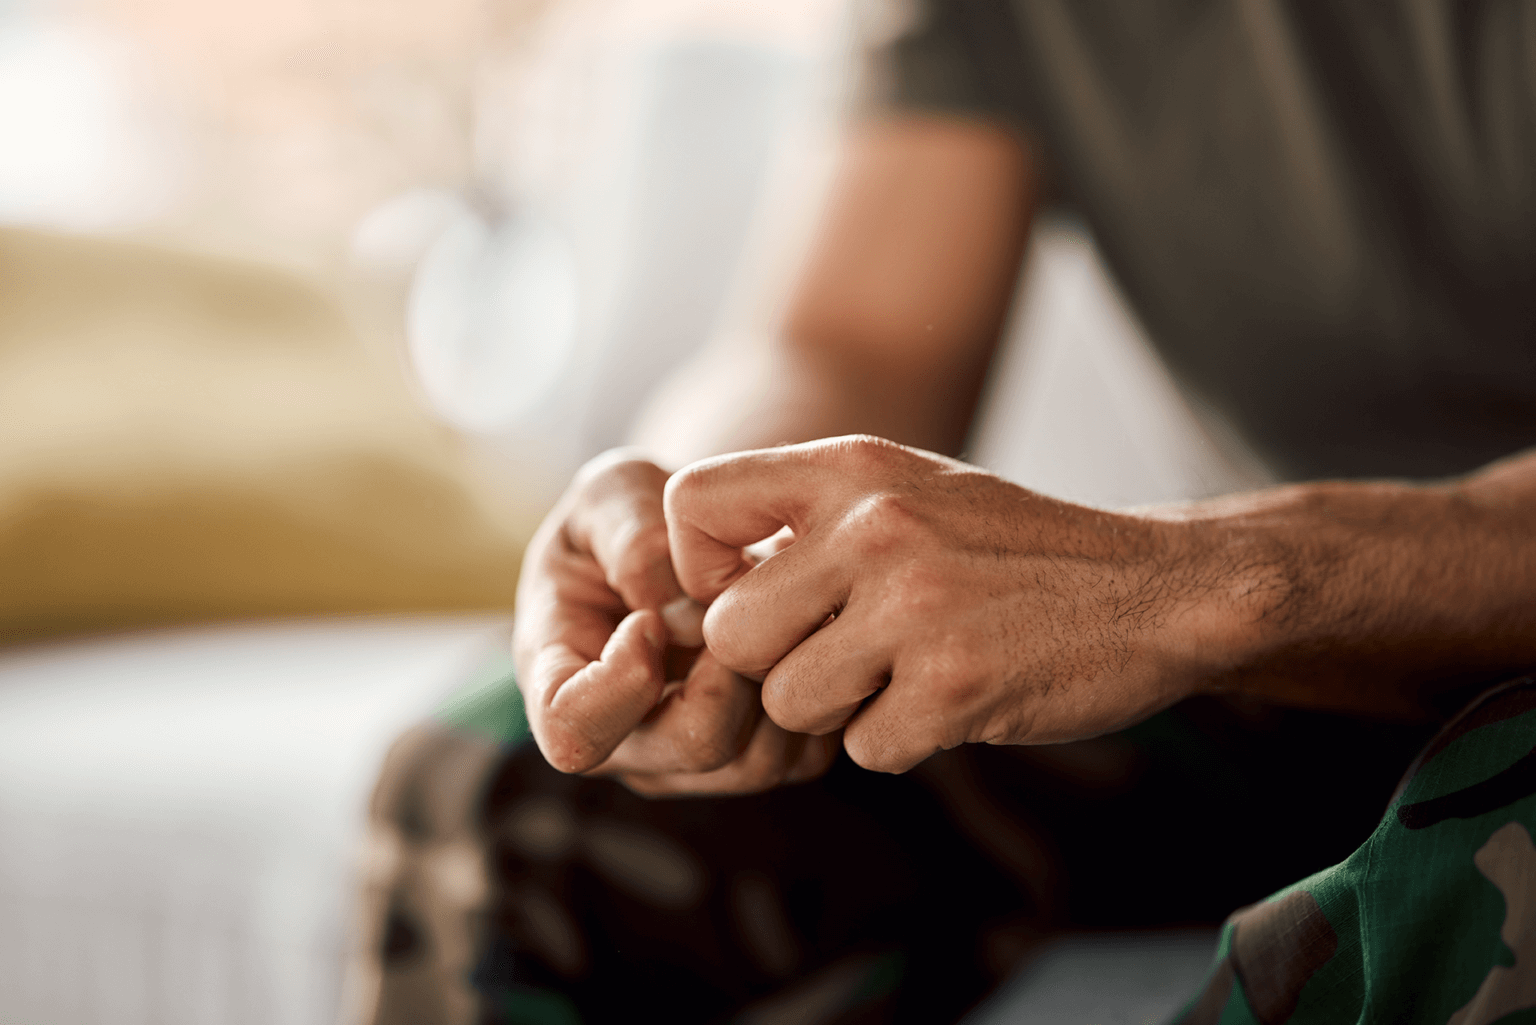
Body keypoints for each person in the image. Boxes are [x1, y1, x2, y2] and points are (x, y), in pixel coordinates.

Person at [504, 2, 1536, 1021]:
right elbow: (851, 344)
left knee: (1471, 886)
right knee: (511, 798)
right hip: (1299, 676)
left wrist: (1205, 584)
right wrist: (692, 530)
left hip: (1450, 636)